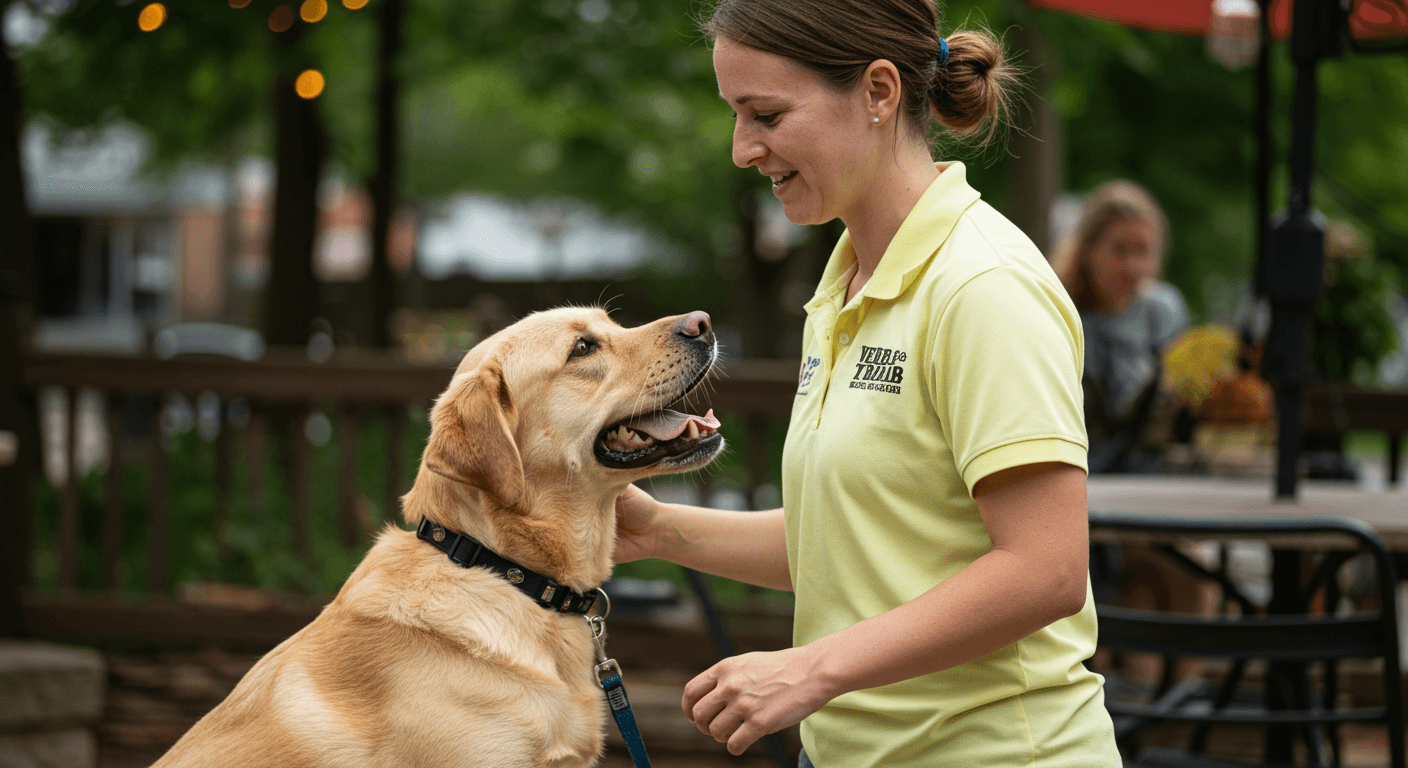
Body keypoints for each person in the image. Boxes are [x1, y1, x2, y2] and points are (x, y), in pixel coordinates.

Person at [612, 1, 1121, 765]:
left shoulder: (983, 284)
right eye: (735, 115)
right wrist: (655, 531)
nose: (741, 149)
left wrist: (811, 669)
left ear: (880, 92)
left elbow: (1045, 569)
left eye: (766, 115)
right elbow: (861, 543)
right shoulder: (847, 279)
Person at [1049, 180, 1190, 472]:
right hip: (1075, 476)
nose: (1133, 266)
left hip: (1148, 482)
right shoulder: (1056, 311)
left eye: (1144, 251)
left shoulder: (1164, 312)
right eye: (1120, 250)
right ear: (1088, 249)